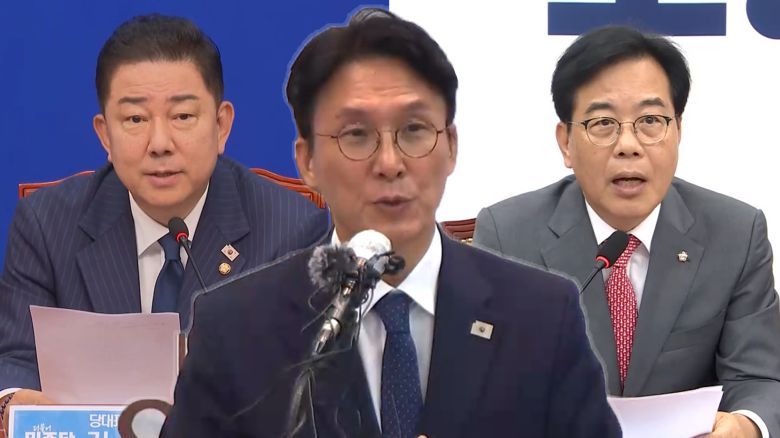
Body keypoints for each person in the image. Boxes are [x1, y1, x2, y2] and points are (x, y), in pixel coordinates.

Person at [162, 8, 620, 438]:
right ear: (308, 162)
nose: (389, 162)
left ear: (451, 146)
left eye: (414, 131)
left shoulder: (542, 317)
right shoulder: (236, 329)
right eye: (356, 135)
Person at [0, 13, 329, 431]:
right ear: (105, 134)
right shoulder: (47, 225)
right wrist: (13, 402)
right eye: (135, 120)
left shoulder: (292, 232)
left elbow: (309, 387)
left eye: (183, 117)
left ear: (221, 125)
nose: (159, 144)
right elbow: (15, 357)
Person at [474, 25, 780, 438]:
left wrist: (745, 425)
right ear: (566, 143)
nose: (628, 145)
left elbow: (758, 378)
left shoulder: (736, 234)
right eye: (603, 123)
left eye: (651, 121)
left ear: (677, 131)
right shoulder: (508, 237)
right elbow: (486, 381)